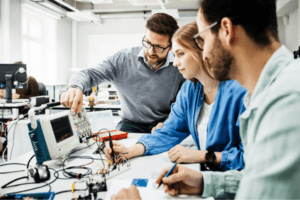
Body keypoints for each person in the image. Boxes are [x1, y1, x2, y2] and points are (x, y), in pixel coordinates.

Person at [111, 0, 300, 199]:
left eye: (201, 39)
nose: (204, 52)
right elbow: (257, 179)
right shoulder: (267, 91)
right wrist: (205, 183)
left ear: (227, 30)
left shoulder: (286, 101)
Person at [105, 22, 247, 171]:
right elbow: (169, 131)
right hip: (208, 178)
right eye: (175, 55)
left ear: (202, 50)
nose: (175, 63)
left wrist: (202, 156)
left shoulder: (240, 92)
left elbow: (249, 158)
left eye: (180, 54)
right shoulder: (190, 90)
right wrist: (131, 150)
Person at [60, 13, 185, 133]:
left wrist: (170, 122)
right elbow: (89, 74)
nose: (150, 51)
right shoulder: (123, 59)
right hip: (130, 124)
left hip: (165, 123)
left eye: (158, 47)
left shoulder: (179, 66)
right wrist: (74, 87)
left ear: (170, 46)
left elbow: (184, 104)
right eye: (147, 43)